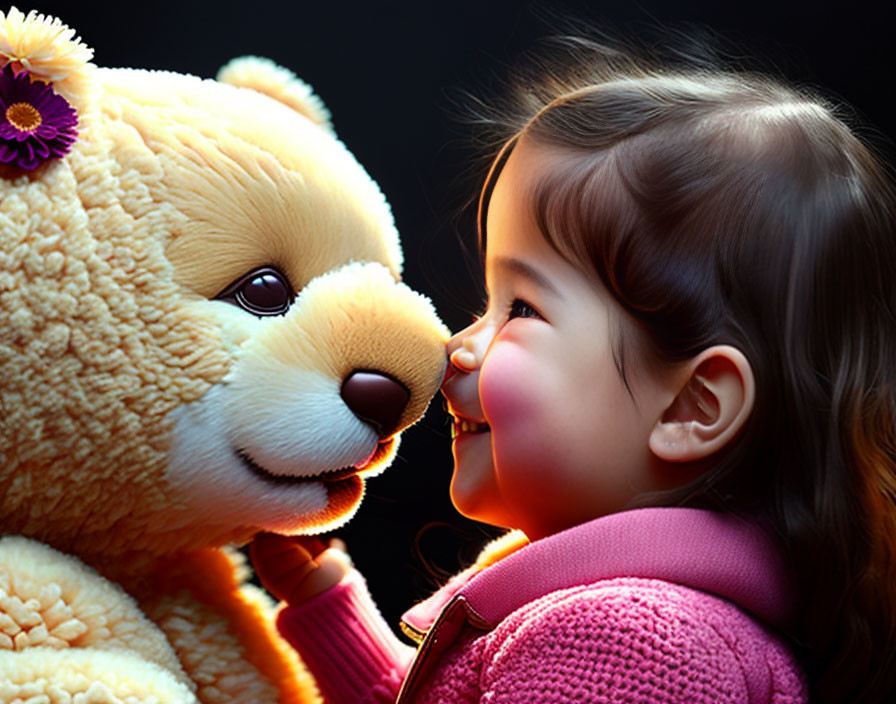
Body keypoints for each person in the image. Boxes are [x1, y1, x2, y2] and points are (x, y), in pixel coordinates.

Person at [250, 37, 896, 704]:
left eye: (521, 309)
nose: (456, 346)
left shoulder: (632, 640)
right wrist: (329, 609)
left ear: (691, 409)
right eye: (486, 303)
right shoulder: (621, 618)